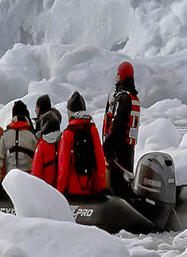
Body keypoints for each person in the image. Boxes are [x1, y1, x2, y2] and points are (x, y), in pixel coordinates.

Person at [37, 89, 109, 197]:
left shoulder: (68, 133)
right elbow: (99, 158)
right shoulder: (92, 129)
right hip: (90, 188)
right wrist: (101, 186)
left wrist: (60, 192)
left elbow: (63, 166)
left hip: (72, 190)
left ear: (70, 113)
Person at [101, 60, 140, 196]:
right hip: (128, 148)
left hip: (118, 149)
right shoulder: (133, 96)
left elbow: (118, 124)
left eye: (118, 74)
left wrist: (107, 145)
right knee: (125, 180)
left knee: (117, 184)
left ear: (121, 76)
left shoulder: (123, 98)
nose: (116, 77)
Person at [0, 100, 39, 183]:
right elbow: (38, 160)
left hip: (10, 178)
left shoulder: (6, 135)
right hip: (28, 179)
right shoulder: (32, 136)